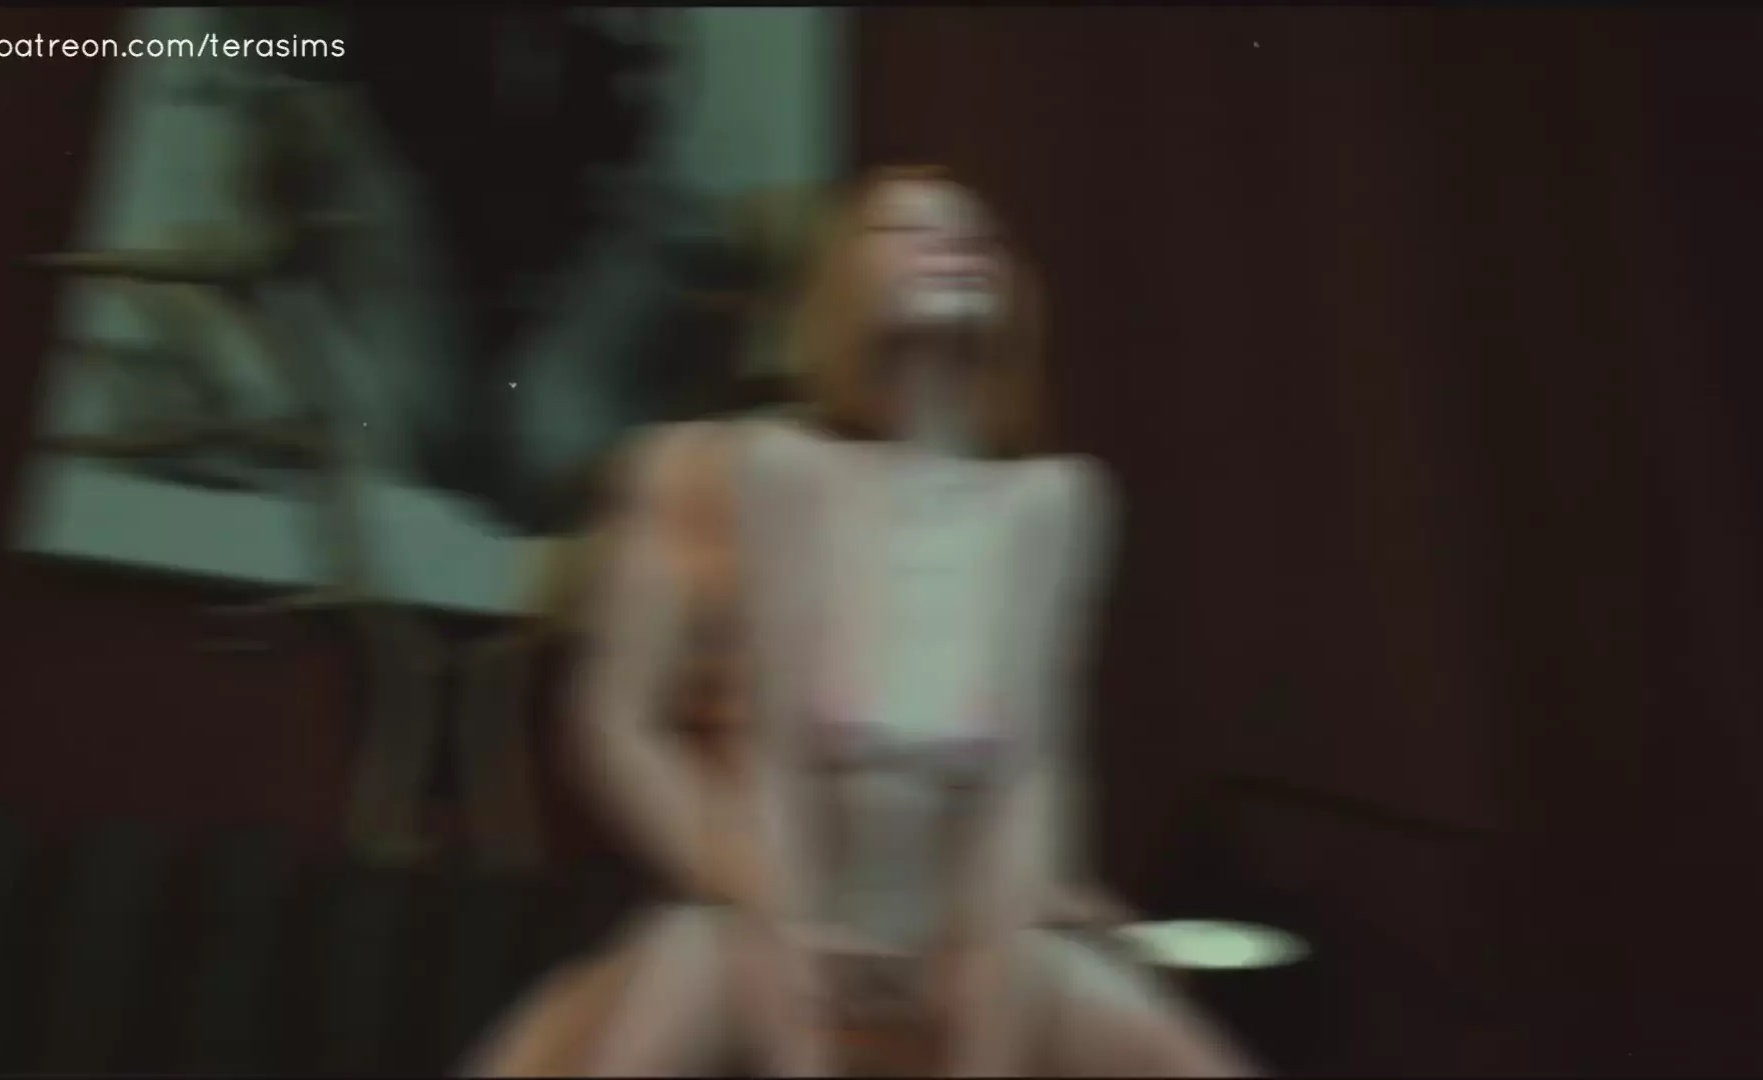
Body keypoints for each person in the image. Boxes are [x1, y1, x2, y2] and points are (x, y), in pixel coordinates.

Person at [460, 166, 1260, 1077]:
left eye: (975, 236)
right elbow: (661, 736)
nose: (950, 249)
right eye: (903, 233)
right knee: (634, 1023)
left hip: (959, 934)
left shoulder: (1052, 504)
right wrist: (771, 914)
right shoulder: (757, 474)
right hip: (769, 911)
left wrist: (1021, 932)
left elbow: (1036, 779)